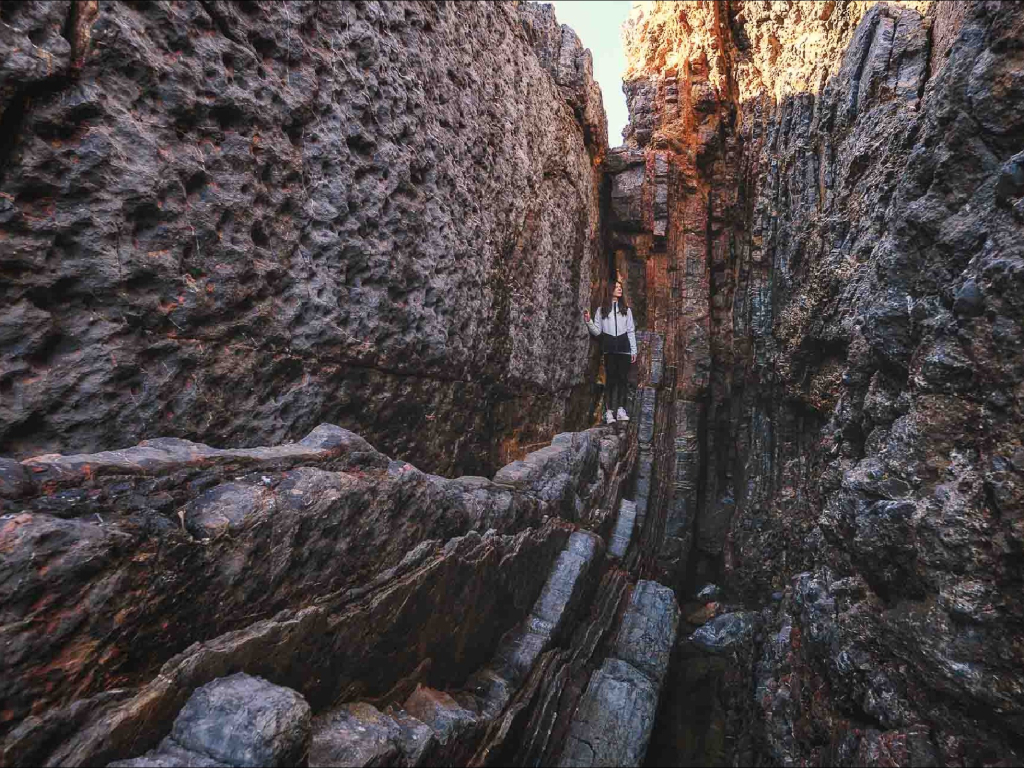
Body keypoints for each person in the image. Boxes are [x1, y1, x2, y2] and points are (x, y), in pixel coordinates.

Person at [584, 279, 637, 424]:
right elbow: (597, 331)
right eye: (617, 287)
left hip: (624, 349)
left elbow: (631, 331)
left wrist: (634, 350)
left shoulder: (626, 309)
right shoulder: (602, 310)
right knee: (611, 381)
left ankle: (621, 410)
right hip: (609, 350)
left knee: (623, 380)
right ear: (610, 290)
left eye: (621, 287)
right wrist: (588, 321)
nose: (620, 289)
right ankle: (608, 412)